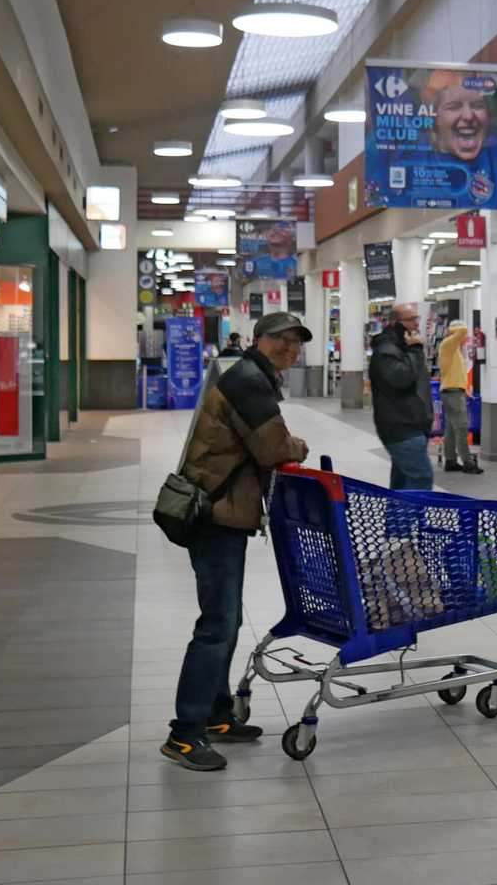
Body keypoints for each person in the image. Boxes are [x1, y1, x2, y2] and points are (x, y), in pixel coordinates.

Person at [163, 311, 312, 772]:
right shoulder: (249, 382)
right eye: (280, 339)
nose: (289, 348)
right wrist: (298, 445)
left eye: (296, 342)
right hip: (215, 515)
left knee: (226, 619)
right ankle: (184, 734)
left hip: (222, 512)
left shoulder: (252, 375)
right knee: (218, 624)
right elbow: (274, 447)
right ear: (258, 339)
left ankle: (215, 715)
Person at [369, 303, 434, 490]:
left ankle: (398, 511)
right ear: (395, 322)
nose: (416, 323)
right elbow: (402, 378)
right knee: (421, 478)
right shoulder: (387, 350)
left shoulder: (402, 346)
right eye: (411, 319)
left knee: (403, 482)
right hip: (401, 427)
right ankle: (411, 511)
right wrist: (416, 350)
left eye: (417, 318)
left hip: (413, 424)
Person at [437, 321, 481, 473]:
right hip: (453, 393)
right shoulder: (448, 344)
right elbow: (462, 329)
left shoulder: (453, 349)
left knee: (450, 429)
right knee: (462, 427)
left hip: (453, 391)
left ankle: (450, 461)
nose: (466, 338)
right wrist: (454, 329)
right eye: (465, 337)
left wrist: (465, 389)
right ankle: (468, 463)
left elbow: (454, 373)